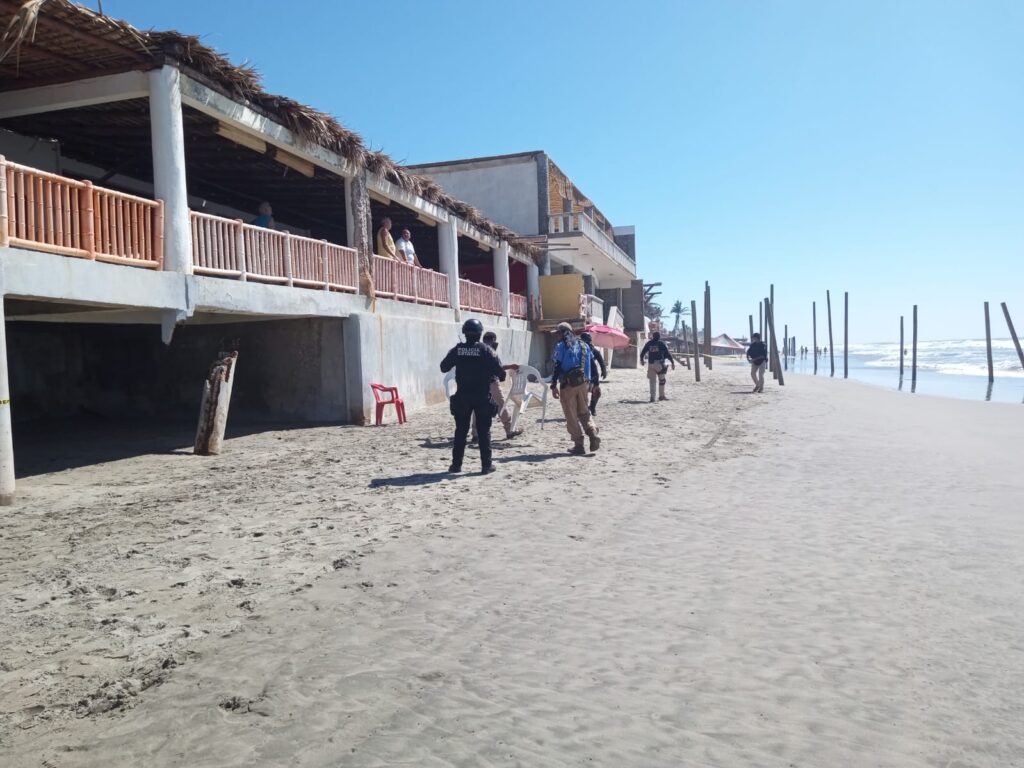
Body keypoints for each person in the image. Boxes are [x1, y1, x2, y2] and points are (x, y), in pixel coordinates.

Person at [440, 319, 506, 474]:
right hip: (482, 396)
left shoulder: (458, 350)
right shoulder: (486, 350)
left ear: (464, 332)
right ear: (479, 333)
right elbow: (501, 374)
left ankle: (456, 465)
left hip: (462, 396)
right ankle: (486, 465)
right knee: (484, 432)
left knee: (460, 432)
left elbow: (443, 367)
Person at [550, 322, 600, 455]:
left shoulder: (561, 346)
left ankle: (579, 445)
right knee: (584, 412)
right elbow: (593, 366)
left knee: (571, 415)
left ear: (563, 333)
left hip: (568, 385)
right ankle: (592, 431)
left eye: (558, 333)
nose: (557, 336)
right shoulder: (584, 345)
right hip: (584, 383)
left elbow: (557, 367)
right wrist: (596, 384)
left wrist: (553, 385)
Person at [471, 331, 522, 441]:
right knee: (501, 405)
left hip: (478, 383)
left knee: (477, 408)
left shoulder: (477, 349)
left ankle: (475, 433)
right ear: (493, 339)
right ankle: (509, 430)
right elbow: (498, 366)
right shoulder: (490, 350)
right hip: (491, 382)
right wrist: (511, 366)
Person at [639, 331, 676, 402]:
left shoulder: (649, 343)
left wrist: (642, 360)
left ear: (653, 336)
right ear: (659, 337)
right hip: (659, 364)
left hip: (651, 364)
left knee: (652, 382)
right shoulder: (661, 343)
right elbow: (668, 354)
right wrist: (672, 363)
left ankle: (652, 398)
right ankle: (661, 396)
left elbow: (642, 353)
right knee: (662, 380)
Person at [580, 331, 607, 416]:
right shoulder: (578, 351)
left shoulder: (594, 351)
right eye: (586, 341)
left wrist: (604, 370)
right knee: (581, 396)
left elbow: (601, 361)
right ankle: (582, 411)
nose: (588, 343)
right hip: (581, 378)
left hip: (592, 376)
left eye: (589, 341)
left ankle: (592, 407)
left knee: (597, 392)